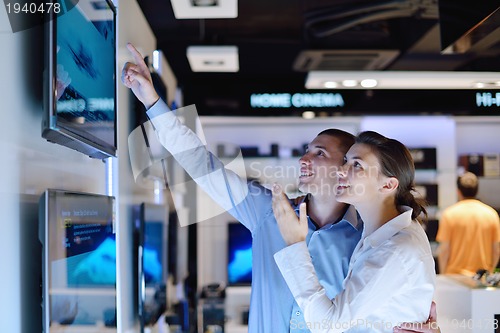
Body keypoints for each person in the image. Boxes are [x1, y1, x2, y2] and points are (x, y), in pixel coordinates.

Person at [121, 42, 440, 333]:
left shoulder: (365, 240)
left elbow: (366, 319)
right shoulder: (266, 210)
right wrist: (152, 101)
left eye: (320, 153)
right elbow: (203, 166)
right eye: (307, 149)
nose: (305, 158)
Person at [272, 131, 436, 332]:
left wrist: (295, 244)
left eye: (356, 165)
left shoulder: (395, 249)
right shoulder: (380, 233)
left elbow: (327, 324)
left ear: (388, 184)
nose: (341, 170)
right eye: (345, 161)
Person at [436, 171, 500, 275]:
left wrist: (444, 274)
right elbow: (496, 250)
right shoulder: (491, 214)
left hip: (455, 277)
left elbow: (444, 250)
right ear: (477, 190)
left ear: (458, 191)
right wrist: (490, 272)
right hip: (481, 277)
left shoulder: (450, 214)